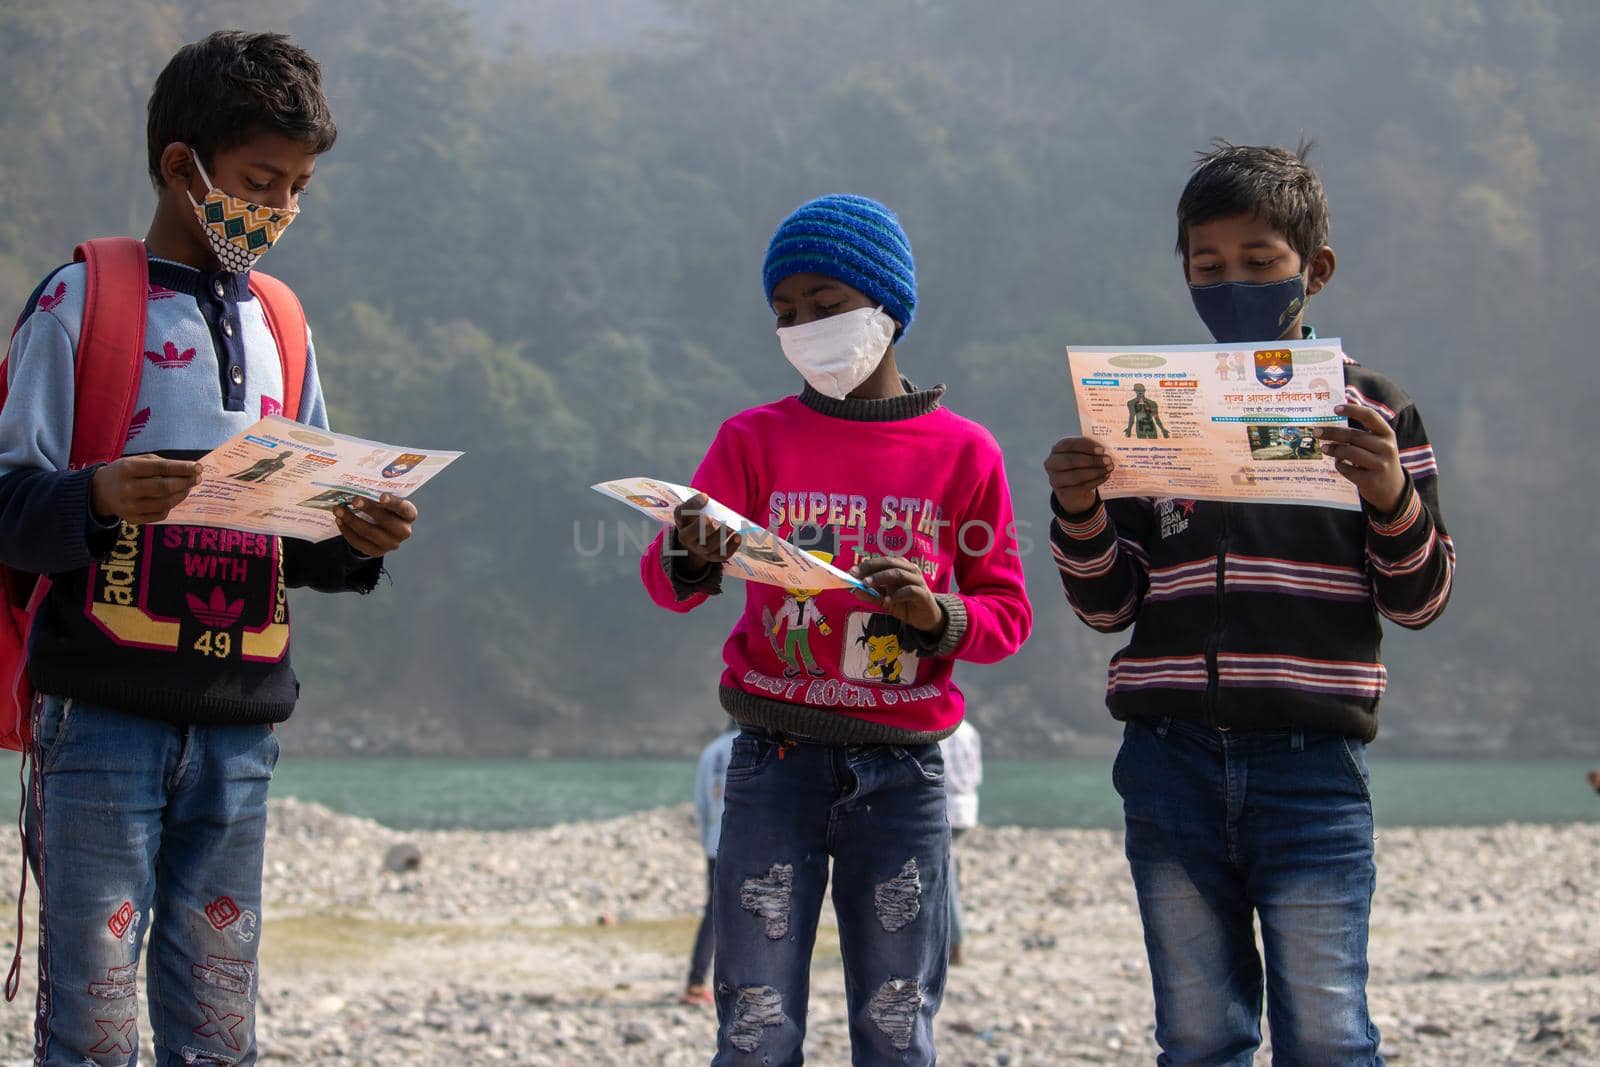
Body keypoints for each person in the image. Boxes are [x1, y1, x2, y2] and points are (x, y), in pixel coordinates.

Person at [0, 32, 419, 1064]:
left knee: (220, 1015)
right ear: (182, 168)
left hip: (241, 729)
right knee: (92, 1015)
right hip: (98, 719)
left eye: (297, 190)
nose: (277, 212)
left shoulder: (285, 323)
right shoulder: (77, 302)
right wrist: (95, 493)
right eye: (258, 183)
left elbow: (302, 524)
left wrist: (356, 536)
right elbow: (9, 498)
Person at [1044, 140, 1454, 1065]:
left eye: (1260, 263)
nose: (1232, 282)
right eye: (1208, 265)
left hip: (1313, 764)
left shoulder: (1375, 414)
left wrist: (1389, 492)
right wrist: (1081, 508)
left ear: (1316, 269)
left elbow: (1423, 600)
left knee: (1328, 1030)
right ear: (1183, 271)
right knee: (1196, 1033)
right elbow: (1110, 606)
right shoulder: (1153, 408)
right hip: (1168, 759)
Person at [639, 194, 1032, 1065]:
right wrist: (691, 557)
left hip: (904, 774)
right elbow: (667, 581)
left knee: (896, 1023)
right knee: (753, 1024)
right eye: (785, 313)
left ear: (886, 308)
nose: (804, 327)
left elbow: (1006, 616)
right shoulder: (752, 440)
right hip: (772, 764)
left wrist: (936, 616)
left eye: (826, 307)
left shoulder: (966, 454)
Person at [684, 725, 740, 1006]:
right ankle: (743, 984)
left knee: (716, 912)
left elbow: (702, 804)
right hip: (753, 844)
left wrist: (706, 839)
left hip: (716, 842)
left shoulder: (712, 751)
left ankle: (696, 982)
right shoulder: (759, 744)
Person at [938, 719, 981, 966]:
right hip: (967, 806)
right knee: (950, 867)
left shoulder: (938, 730)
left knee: (945, 875)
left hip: (945, 806)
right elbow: (976, 772)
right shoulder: (969, 730)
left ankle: (955, 942)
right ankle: (953, 935)